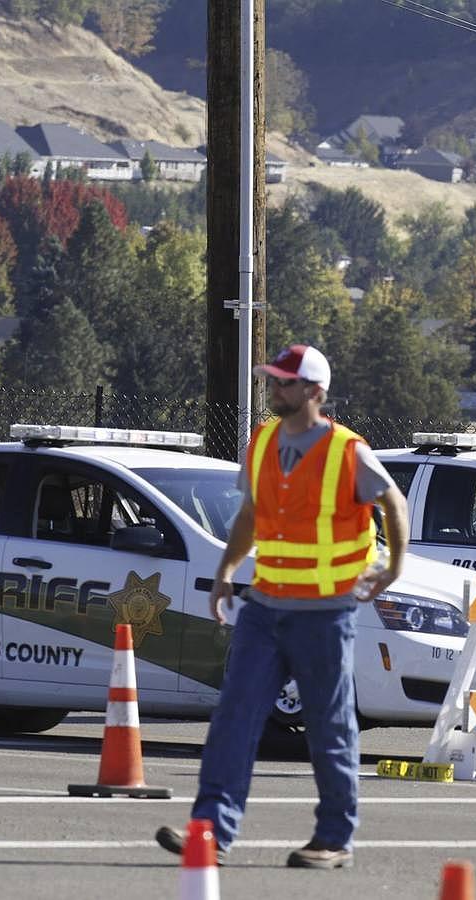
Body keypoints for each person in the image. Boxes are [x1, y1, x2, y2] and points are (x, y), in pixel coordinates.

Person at [156, 344, 408, 869]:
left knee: (328, 724)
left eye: (285, 383)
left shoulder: (347, 450)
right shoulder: (263, 441)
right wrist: (225, 572)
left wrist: (394, 567)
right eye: (271, 381)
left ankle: (334, 839)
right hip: (266, 606)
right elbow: (250, 514)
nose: (274, 390)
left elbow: (393, 502)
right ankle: (209, 833)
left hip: (326, 611)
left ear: (316, 391)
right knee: (234, 717)